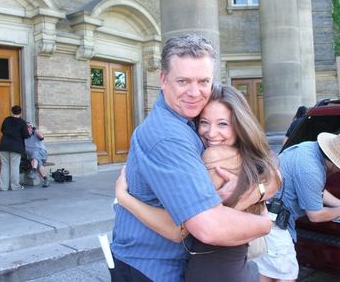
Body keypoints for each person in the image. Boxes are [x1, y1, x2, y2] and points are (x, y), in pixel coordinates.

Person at [111, 34, 278, 282]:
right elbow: (206, 227)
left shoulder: (197, 118)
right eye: (183, 81)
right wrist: (265, 225)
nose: (194, 92)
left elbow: (271, 167)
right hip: (152, 268)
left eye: (203, 81)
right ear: (163, 80)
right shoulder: (168, 137)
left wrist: (258, 187)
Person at [254, 131, 340, 282]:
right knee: (287, 275)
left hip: (263, 215)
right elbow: (315, 215)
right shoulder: (312, 169)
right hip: (273, 223)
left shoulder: (310, 149)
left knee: (268, 270)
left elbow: (316, 190)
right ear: (334, 162)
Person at [0, 105, 30, 191]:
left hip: (4, 145)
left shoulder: (6, 120)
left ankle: (3, 187)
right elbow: (26, 136)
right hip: (16, 147)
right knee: (15, 167)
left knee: (4, 166)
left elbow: (2, 130)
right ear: (20, 112)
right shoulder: (22, 122)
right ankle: (15, 186)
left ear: (11, 112)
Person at [25, 122, 50, 188]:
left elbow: (42, 137)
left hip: (42, 154)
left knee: (35, 154)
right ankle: (45, 179)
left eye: (30, 127)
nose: (29, 129)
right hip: (32, 157)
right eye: (27, 127)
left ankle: (33, 170)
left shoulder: (36, 134)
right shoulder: (24, 137)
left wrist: (34, 128)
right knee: (36, 160)